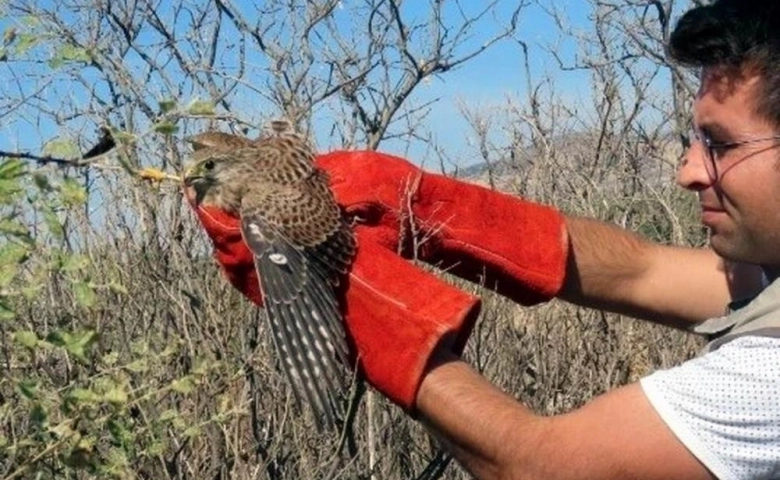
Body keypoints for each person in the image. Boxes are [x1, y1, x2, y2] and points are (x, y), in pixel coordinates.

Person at [186, 0, 780, 478]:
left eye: (721, 145)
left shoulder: (765, 381)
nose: (688, 171)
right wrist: (445, 213)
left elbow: (539, 468)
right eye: (694, 139)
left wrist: (367, 313)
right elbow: (645, 271)